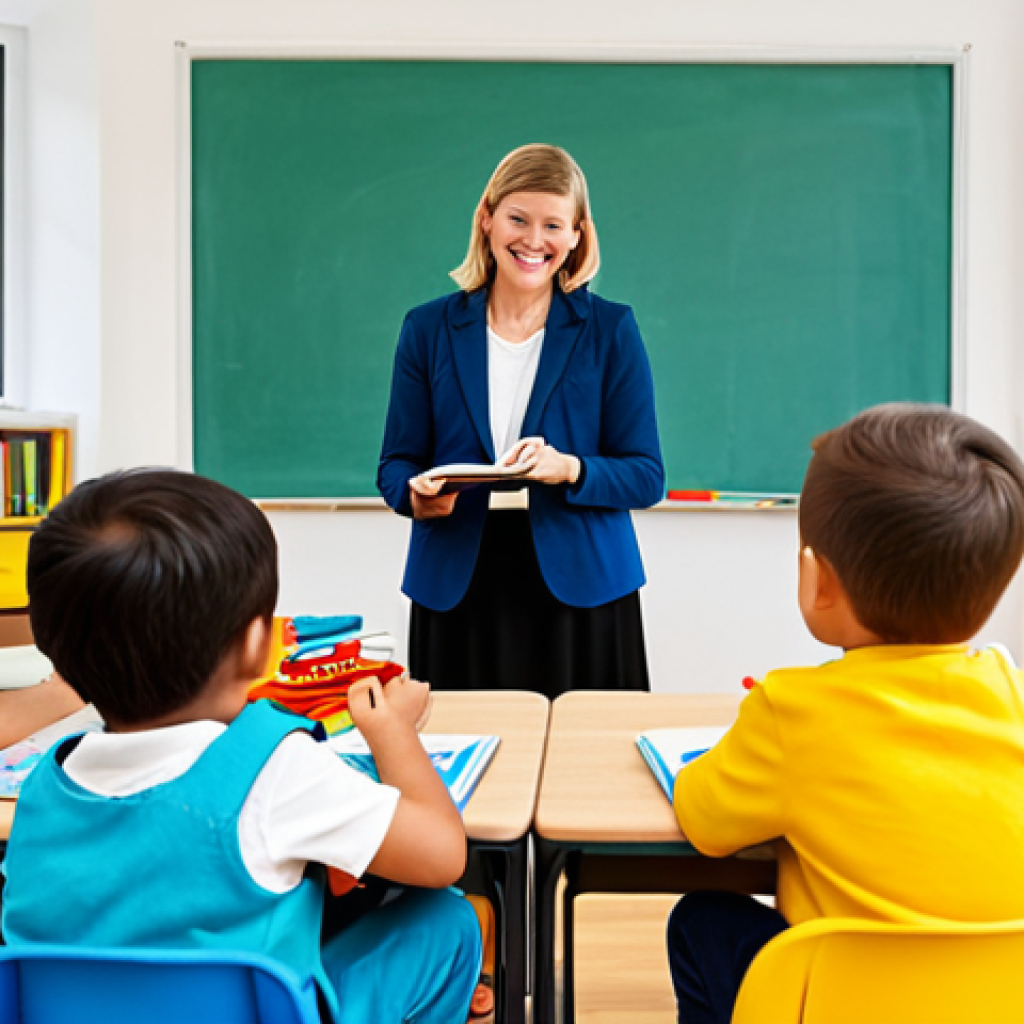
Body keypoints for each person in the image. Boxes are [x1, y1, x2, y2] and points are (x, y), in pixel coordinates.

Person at [1, 469, 482, 1024]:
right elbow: (442, 856)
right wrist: (392, 729)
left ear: (55, 653)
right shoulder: (274, 769)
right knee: (445, 923)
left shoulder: (44, 785)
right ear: (258, 645)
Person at [667, 403, 1024, 1024]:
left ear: (816, 579)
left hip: (836, 1003)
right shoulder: (1012, 690)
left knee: (700, 920)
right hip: (997, 1000)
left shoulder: (791, 710)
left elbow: (702, 820)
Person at [378, 143, 664, 699]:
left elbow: (646, 475)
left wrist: (570, 468)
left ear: (577, 235)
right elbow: (396, 464)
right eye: (518, 219)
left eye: (553, 225)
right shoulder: (427, 329)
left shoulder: (610, 329)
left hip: (584, 589)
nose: (534, 240)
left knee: (586, 750)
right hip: (458, 586)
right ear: (487, 218)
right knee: (466, 748)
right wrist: (416, 496)